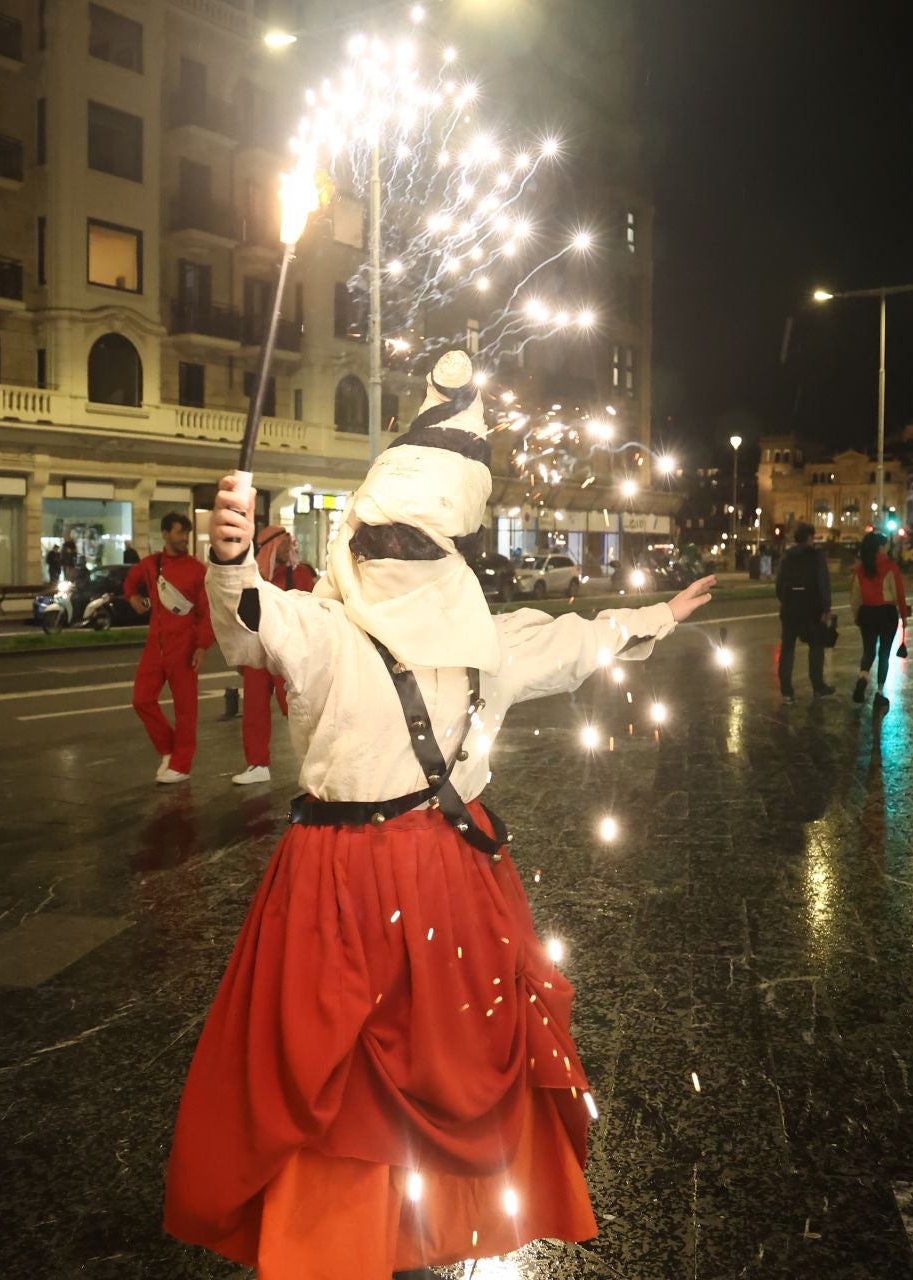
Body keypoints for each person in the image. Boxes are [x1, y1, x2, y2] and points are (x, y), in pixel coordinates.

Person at [164, 350, 717, 1278]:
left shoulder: (479, 646)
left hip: (408, 880)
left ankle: (413, 1233)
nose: (397, 557)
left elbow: (574, 646)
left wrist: (652, 617)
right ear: (360, 534)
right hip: (368, 885)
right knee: (339, 1073)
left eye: (416, 543)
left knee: (429, 1064)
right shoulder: (327, 629)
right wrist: (228, 556)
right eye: (385, 540)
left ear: (448, 548)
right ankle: (342, 1243)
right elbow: (252, 622)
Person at [125, 512, 213, 784]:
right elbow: (131, 580)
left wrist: (202, 646)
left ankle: (181, 764)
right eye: (179, 533)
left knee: (186, 710)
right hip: (155, 646)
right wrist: (133, 597)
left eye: (186, 533)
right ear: (165, 534)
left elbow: (207, 611)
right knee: (141, 700)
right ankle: (168, 750)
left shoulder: (198, 570)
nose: (184, 538)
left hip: (184, 646)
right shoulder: (151, 564)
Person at [233, 525, 316, 785]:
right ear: (269, 546)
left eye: (287, 542)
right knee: (254, 709)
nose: (287, 547)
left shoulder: (301, 574)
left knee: (297, 709)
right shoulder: (251, 579)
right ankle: (257, 764)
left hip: (288, 654)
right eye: (281, 543)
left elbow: (313, 614)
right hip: (258, 653)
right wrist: (241, 654)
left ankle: (314, 761)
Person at [773, 521, 833, 703]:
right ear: (809, 538)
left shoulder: (787, 556)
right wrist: (826, 608)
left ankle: (787, 691)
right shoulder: (817, 556)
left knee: (788, 649)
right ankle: (817, 686)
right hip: (812, 609)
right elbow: (823, 583)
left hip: (790, 609)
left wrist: (786, 600)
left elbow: (778, 584)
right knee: (816, 647)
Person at [849, 531, 908, 711]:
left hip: (867, 612)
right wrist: (904, 617)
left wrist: (857, 615)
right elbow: (899, 593)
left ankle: (863, 678)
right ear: (880, 547)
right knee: (884, 653)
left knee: (868, 651)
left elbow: (855, 596)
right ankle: (880, 694)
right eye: (884, 545)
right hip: (886, 613)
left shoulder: (860, 569)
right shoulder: (890, 567)